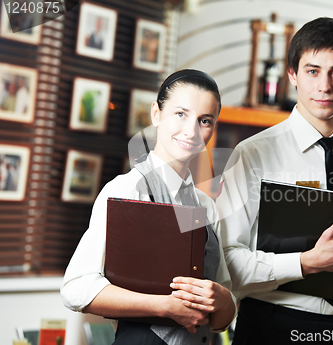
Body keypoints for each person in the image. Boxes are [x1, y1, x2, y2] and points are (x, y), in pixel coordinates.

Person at [216, 17, 333, 344]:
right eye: (312, 71)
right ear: (293, 76)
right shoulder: (253, 154)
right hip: (269, 327)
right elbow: (227, 262)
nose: (324, 86)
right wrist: (304, 263)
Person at [61, 69, 237, 345]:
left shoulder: (205, 205)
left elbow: (222, 314)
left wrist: (224, 300)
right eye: (180, 114)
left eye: (204, 120)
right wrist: (165, 307)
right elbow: (76, 289)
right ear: (156, 113)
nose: (191, 131)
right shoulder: (128, 189)